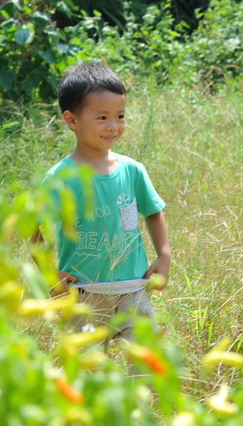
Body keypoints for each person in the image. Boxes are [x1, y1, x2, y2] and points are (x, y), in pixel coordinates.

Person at [40, 62, 171, 340]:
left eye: (120, 116)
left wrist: (164, 254)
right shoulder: (60, 178)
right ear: (72, 120)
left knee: (148, 366)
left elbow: (153, 212)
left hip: (134, 290)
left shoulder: (132, 169)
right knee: (87, 376)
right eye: (102, 118)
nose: (114, 126)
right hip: (83, 294)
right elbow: (34, 228)